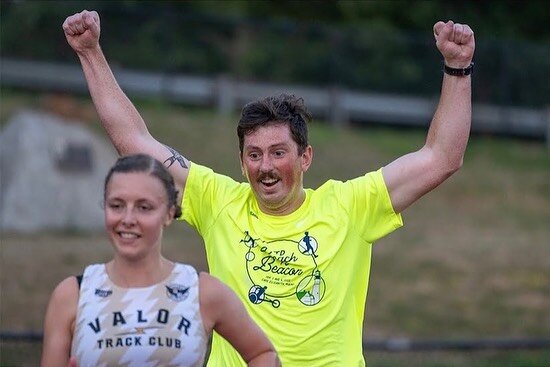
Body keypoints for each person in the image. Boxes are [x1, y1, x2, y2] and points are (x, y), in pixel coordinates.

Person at [63, 10, 475, 366]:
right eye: (254, 155)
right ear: (242, 163)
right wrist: (90, 52)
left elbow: (442, 157)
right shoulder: (218, 201)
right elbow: (135, 143)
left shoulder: (351, 205)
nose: (266, 167)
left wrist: (457, 68)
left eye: (279, 153)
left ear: (305, 158)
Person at [40, 154, 280, 367]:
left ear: (168, 214)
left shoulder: (201, 292)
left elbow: (263, 354)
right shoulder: (73, 294)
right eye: (116, 205)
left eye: (144, 207)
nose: (128, 218)